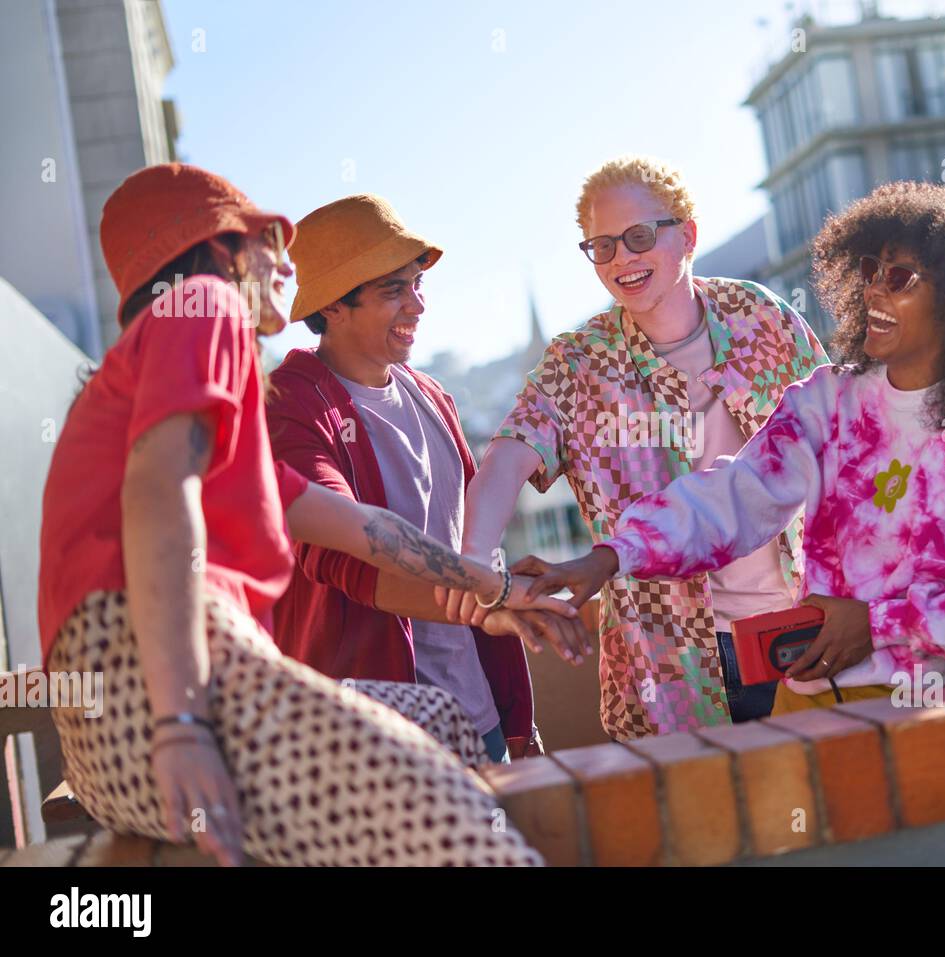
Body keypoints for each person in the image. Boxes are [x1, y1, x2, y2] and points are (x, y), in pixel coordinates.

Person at [39, 163, 564, 865]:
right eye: (268, 236)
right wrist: (181, 723)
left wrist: (488, 589)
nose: (289, 260)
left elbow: (357, 529)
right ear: (220, 250)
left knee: (441, 722)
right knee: (469, 838)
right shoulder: (207, 306)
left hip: (108, 734)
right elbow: (160, 499)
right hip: (162, 685)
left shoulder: (179, 399)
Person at [517, 181, 945, 714]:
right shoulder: (829, 400)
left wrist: (875, 625)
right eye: (869, 270)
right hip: (804, 705)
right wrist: (608, 557)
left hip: (932, 712)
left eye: (898, 279)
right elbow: (736, 494)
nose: (872, 289)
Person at [443, 155, 829, 741]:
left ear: (688, 235)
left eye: (640, 236)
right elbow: (507, 457)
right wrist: (478, 565)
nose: (622, 257)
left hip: (803, 630)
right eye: (602, 247)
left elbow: (840, 440)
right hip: (671, 666)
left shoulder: (762, 317)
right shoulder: (579, 362)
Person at [265, 195, 586, 763]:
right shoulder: (290, 404)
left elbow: (472, 545)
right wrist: (491, 600)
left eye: (418, 285)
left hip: (477, 717)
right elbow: (343, 559)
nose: (417, 305)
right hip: (371, 742)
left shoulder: (431, 394)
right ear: (334, 306)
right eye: (393, 290)